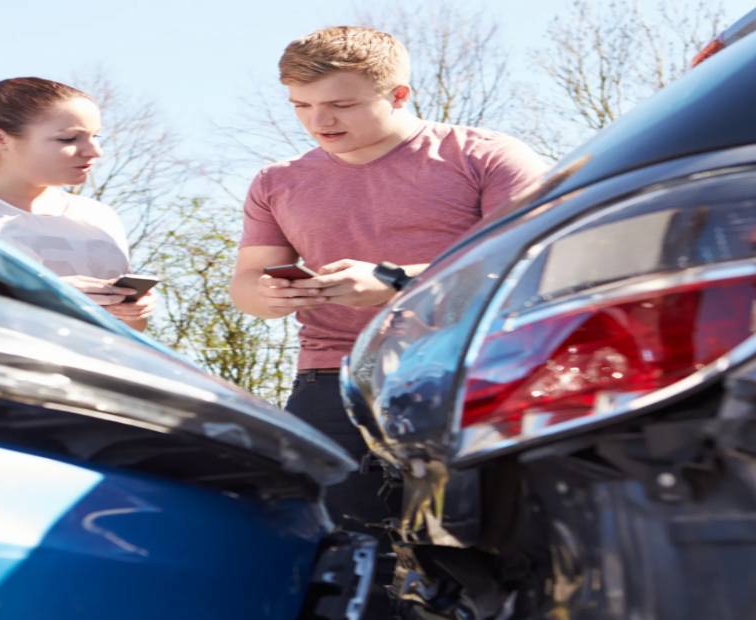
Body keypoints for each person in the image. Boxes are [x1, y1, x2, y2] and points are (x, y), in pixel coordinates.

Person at [229, 26, 549, 617]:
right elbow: (248, 283)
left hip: (472, 378)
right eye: (301, 106)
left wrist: (399, 283)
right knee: (339, 564)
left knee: (492, 560)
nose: (318, 122)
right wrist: (267, 296)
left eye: (341, 105)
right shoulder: (277, 182)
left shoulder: (485, 156)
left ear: (399, 95)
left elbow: (536, 267)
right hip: (332, 382)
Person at [0, 77, 155, 332]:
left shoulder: (99, 215)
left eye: (95, 136)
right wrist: (43, 294)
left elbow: (131, 330)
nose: (94, 151)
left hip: (93, 368)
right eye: (68, 139)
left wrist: (133, 312)